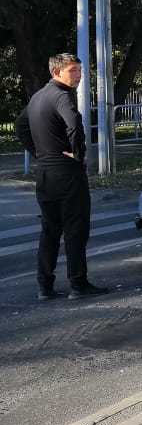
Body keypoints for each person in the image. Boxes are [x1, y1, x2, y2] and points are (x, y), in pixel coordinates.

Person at [15, 53, 108, 301]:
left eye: (79, 70)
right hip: (66, 174)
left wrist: (37, 152)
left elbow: (20, 125)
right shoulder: (62, 96)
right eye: (73, 71)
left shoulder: (38, 96)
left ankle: (44, 286)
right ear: (57, 72)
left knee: (50, 230)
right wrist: (78, 154)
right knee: (76, 230)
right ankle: (78, 284)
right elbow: (74, 125)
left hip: (44, 173)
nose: (78, 76)